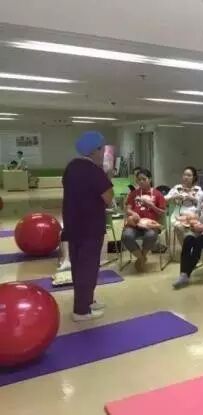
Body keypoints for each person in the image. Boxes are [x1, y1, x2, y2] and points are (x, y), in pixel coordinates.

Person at [62, 131, 114, 321]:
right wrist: (107, 174)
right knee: (88, 268)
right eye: (102, 149)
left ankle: (88, 301)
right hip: (90, 227)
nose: (103, 153)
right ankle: (81, 311)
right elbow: (108, 198)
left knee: (79, 267)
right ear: (94, 150)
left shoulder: (71, 167)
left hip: (73, 225)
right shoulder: (94, 170)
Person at [122, 168, 166, 272]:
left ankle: (142, 255)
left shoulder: (157, 194)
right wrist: (133, 213)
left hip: (150, 225)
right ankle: (142, 258)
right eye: (139, 180)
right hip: (134, 224)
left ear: (150, 179)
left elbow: (162, 213)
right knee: (126, 236)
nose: (141, 181)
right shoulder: (134, 194)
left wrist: (151, 205)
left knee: (151, 235)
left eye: (144, 179)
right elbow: (127, 209)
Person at [166, 166, 203, 245]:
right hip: (179, 214)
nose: (186, 177)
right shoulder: (177, 188)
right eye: (184, 175)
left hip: (194, 214)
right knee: (179, 227)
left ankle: (193, 246)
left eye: (189, 175)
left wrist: (192, 198)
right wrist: (175, 197)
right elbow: (165, 199)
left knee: (196, 228)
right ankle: (186, 248)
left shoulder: (198, 189)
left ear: (194, 177)